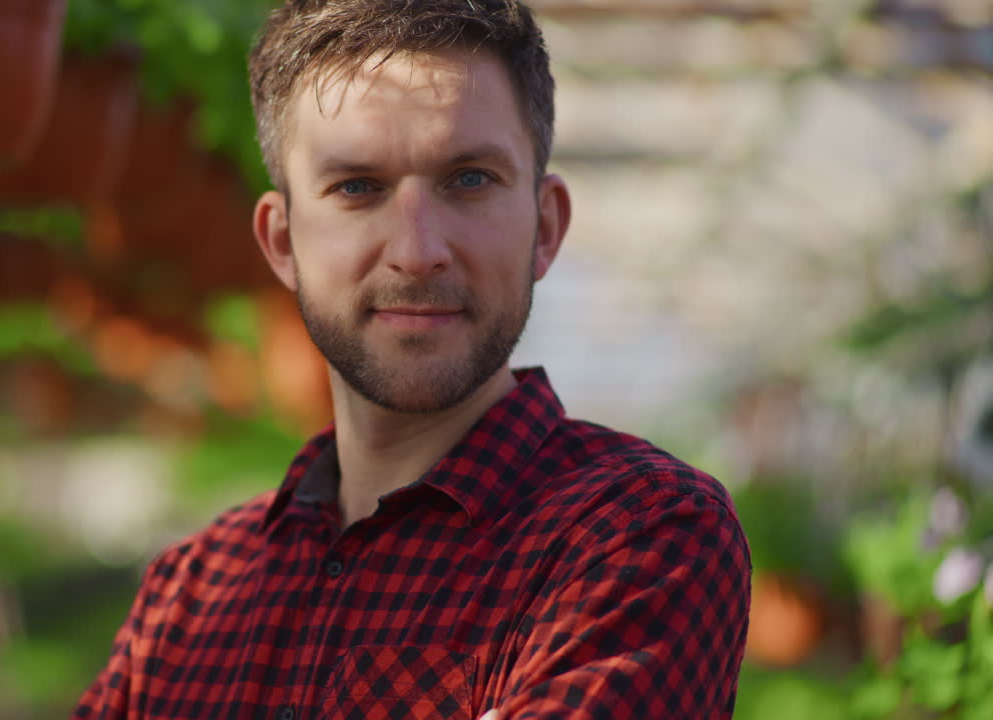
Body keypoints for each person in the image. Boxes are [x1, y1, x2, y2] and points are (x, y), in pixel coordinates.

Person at [74, 1, 751, 718]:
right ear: (281, 242)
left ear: (545, 227)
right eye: (357, 187)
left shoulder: (640, 535)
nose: (417, 251)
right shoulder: (185, 599)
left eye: (469, 179)